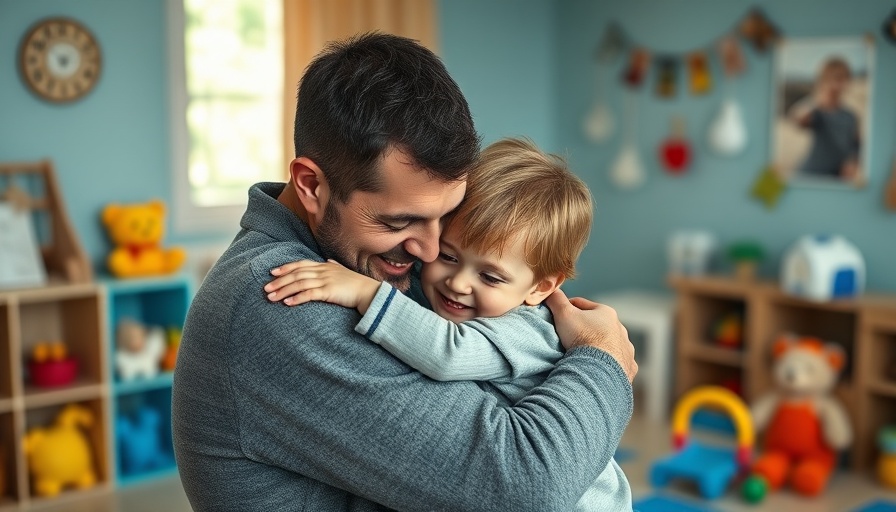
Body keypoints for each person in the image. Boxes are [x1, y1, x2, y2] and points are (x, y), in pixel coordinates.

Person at [172, 32, 637, 512]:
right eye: (400, 221)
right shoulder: (278, 297)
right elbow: (523, 488)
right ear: (311, 186)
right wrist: (603, 360)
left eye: (445, 218)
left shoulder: (365, 260)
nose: (431, 251)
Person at [264, 137, 633, 510]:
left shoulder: (528, 330)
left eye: (490, 277)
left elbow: (448, 350)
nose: (458, 283)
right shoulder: (458, 296)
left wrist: (364, 292)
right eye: (448, 256)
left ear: (541, 287)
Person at [791, 56, 861, 180]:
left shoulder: (850, 116)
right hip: (809, 175)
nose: (837, 84)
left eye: (842, 78)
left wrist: (853, 162)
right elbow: (797, 118)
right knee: (765, 195)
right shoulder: (818, 112)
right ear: (823, 81)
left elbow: (856, 146)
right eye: (833, 78)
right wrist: (818, 100)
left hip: (836, 180)